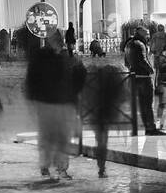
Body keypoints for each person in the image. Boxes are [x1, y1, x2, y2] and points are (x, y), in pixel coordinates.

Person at [26, 31, 75, 178]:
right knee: (50, 136)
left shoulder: (64, 57)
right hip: (48, 102)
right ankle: (48, 166)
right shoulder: (45, 57)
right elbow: (33, 79)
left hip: (58, 102)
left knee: (60, 136)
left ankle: (58, 167)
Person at [123, 26, 163, 135]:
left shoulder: (128, 44)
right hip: (144, 78)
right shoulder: (139, 44)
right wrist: (151, 70)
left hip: (133, 78)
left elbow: (126, 62)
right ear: (140, 33)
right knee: (148, 104)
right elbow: (143, 60)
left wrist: (132, 71)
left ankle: (146, 127)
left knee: (141, 104)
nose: (148, 36)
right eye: (147, 33)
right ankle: (150, 128)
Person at [86, 64, 123, 178]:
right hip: (106, 113)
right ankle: (101, 167)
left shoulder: (92, 84)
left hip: (95, 113)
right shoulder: (112, 87)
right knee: (102, 140)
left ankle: (101, 166)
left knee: (100, 139)